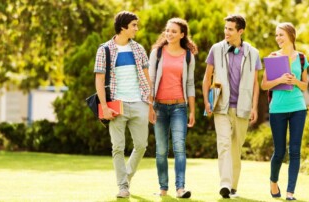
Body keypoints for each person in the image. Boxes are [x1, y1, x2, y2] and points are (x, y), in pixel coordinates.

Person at [202, 14, 261, 198]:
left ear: (240, 31)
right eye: (225, 28)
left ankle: (233, 185)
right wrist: (207, 101)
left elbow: (255, 83)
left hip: (242, 106)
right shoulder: (216, 49)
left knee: (236, 147)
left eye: (230, 29)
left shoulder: (252, 52)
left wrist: (254, 107)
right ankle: (225, 185)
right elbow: (207, 77)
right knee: (224, 144)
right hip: (221, 105)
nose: (226, 32)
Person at [94, 11, 151, 198]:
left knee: (141, 145)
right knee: (117, 147)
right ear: (123, 27)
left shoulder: (139, 49)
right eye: (134, 25)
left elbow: (146, 78)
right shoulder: (105, 50)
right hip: (116, 104)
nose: (137, 28)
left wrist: (150, 103)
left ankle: (126, 176)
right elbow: (99, 81)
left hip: (139, 102)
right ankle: (123, 186)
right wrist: (105, 107)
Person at [148, 18, 197, 198]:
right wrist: (150, 107)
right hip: (159, 107)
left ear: (182, 35)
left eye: (174, 31)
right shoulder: (157, 53)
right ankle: (163, 188)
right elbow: (150, 81)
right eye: (167, 30)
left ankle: (180, 188)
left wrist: (192, 110)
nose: (169, 34)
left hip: (179, 107)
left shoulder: (188, 56)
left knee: (179, 148)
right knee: (161, 150)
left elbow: (190, 84)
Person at [261, 22, 308, 201]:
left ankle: (290, 193)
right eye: (276, 35)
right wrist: (280, 79)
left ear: (291, 35)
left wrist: (295, 81)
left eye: (281, 34)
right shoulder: (273, 57)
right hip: (278, 109)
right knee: (279, 151)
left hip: (298, 107)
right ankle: (273, 182)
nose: (278, 38)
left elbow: (305, 86)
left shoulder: (302, 58)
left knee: (295, 150)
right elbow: (264, 84)